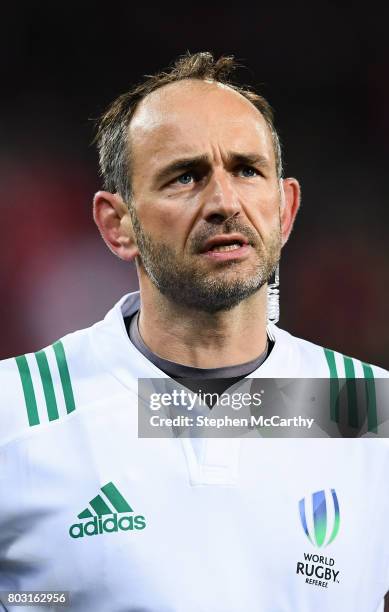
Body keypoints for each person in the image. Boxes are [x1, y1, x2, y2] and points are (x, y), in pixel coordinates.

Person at [0, 51, 388, 612]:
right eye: (185, 176)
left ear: (284, 210)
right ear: (118, 224)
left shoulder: (366, 409)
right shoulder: (16, 412)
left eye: (247, 170)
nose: (224, 202)